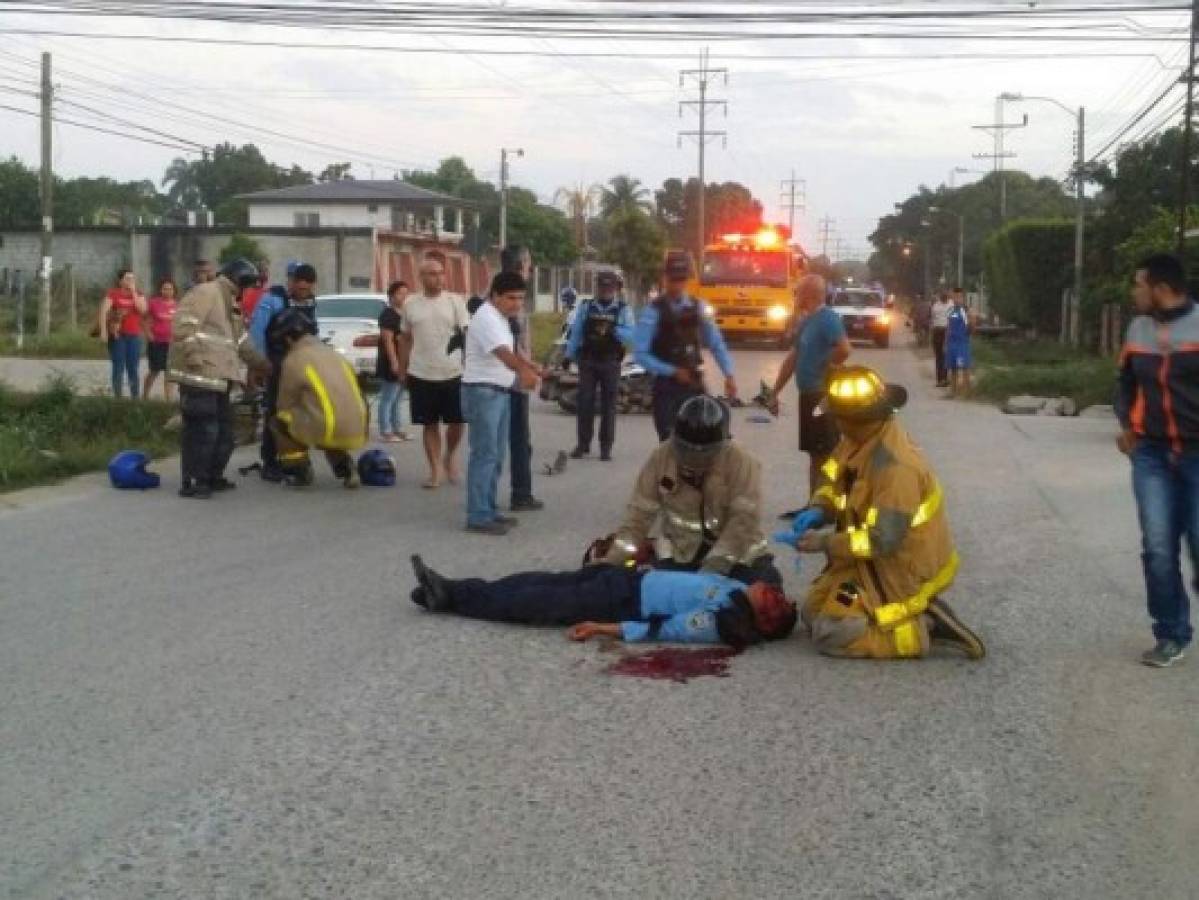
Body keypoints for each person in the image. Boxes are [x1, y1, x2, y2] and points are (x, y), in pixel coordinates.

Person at [782, 365, 985, 660]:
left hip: (896, 568)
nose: (835, 422)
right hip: (861, 564)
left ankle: (922, 628)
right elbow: (831, 476)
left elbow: (881, 541)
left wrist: (824, 543)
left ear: (854, 421)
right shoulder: (856, 442)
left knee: (832, 633)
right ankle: (890, 616)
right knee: (813, 613)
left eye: (838, 416)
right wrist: (819, 507)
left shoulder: (896, 468)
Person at [408, 555, 798, 649]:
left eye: (772, 601)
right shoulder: (735, 588)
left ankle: (450, 596)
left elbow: (661, 628)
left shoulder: (718, 619)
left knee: (533, 602)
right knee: (540, 581)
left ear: (760, 621)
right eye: (774, 592)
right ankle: (457, 588)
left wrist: (602, 628)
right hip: (627, 577)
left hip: (621, 600)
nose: (770, 592)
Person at [1116, 253, 1199, 667]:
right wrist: (1126, 424)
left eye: (1139, 284)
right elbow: (1126, 382)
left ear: (1160, 288)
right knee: (1158, 548)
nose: (1134, 291)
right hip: (1151, 454)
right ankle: (1171, 633)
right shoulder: (1137, 328)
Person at [599, 395, 779, 584]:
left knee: (765, 590)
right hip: (682, 555)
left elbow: (744, 520)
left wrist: (714, 568)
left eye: (704, 454)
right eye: (687, 451)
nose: (695, 460)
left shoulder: (741, 462)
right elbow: (638, 517)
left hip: (736, 556)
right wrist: (612, 562)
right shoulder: (661, 457)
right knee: (648, 595)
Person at [167, 258, 264, 499]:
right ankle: (194, 481)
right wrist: (194, 358)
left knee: (224, 432)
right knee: (203, 430)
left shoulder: (229, 302)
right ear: (239, 279)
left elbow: (241, 342)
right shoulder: (206, 292)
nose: (248, 292)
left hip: (219, 378)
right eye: (247, 286)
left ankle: (212, 476)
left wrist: (263, 365)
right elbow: (183, 325)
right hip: (198, 376)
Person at [461, 271, 542, 535]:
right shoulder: (486, 318)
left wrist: (531, 366)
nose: (517, 304)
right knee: (484, 456)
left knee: (495, 456)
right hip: (483, 392)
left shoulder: (500, 318)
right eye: (511, 298)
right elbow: (504, 355)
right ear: (495, 295)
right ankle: (478, 515)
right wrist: (525, 373)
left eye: (520, 298)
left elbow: (512, 351)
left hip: (499, 391)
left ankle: (489, 509)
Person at [634, 254, 738, 441]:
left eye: (682, 279)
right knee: (670, 442)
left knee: (712, 435)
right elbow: (640, 353)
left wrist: (729, 374)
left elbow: (716, 343)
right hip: (667, 388)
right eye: (673, 279)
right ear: (664, 278)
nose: (677, 285)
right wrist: (672, 371)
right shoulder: (653, 311)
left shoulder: (698, 307)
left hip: (694, 383)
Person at [766, 273, 851, 495]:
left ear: (808, 294)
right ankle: (815, 500)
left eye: (797, 292)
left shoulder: (827, 319)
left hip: (821, 396)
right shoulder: (807, 321)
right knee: (815, 452)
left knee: (828, 452)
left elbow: (844, 349)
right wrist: (774, 392)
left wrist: (827, 367)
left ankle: (829, 503)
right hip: (807, 395)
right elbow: (793, 358)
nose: (794, 296)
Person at [268, 307, 368, 488]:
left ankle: (298, 471)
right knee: (323, 415)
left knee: (279, 421)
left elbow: (284, 403)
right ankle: (345, 467)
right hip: (358, 427)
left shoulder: (294, 359)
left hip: (328, 427)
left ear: (289, 338)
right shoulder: (334, 353)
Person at [398, 256, 471, 489]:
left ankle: (450, 455)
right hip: (421, 372)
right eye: (432, 274)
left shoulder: (455, 301)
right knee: (429, 424)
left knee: (457, 422)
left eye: (441, 273)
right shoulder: (410, 303)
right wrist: (401, 369)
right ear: (421, 277)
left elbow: (467, 335)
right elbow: (405, 338)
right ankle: (435, 470)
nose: (438, 278)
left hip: (453, 371)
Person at [248, 262, 319, 481]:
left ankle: (295, 459)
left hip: (302, 366)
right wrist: (259, 365)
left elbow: (313, 334)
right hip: (276, 364)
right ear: (292, 282)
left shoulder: (310, 303)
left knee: (301, 414)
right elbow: (257, 332)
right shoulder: (273, 300)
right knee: (275, 413)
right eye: (299, 283)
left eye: (308, 286)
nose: (303, 289)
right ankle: (270, 461)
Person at [566, 269, 635, 461]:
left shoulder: (623, 309)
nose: (605, 290)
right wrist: (569, 355)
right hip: (588, 360)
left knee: (609, 406)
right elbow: (577, 332)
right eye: (602, 286)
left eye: (609, 287)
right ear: (597, 287)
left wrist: (615, 330)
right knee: (585, 403)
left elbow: (632, 334)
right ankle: (582, 445)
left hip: (610, 361)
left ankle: (606, 448)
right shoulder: (586, 307)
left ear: (615, 288)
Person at [500, 245, 544, 511]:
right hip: (509, 380)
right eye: (528, 263)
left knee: (507, 441)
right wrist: (528, 370)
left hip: (508, 377)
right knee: (515, 440)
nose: (531, 268)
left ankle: (517, 493)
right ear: (519, 265)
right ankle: (520, 494)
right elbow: (510, 344)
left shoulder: (503, 293)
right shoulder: (509, 298)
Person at [98, 269, 148, 398]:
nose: (130, 281)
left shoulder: (139, 294)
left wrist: (133, 292)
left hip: (134, 335)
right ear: (120, 281)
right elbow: (103, 312)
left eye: (132, 278)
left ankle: (135, 397)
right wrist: (103, 331)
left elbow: (142, 310)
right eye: (127, 278)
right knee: (118, 367)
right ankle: (118, 397)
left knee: (133, 368)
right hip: (117, 335)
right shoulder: (113, 293)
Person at [377, 280, 411, 442]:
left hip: (405, 360)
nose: (403, 297)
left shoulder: (404, 314)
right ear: (391, 296)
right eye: (400, 293)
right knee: (388, 397)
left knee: (398, 397)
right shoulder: (388, 315)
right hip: (391, 360)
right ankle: (386, 430)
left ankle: (397, 428)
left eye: (406, 293)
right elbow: (387, 340)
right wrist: (394, 362)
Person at [142, 277, 178, 401]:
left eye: (170, 289)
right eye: (165, 289)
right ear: (161, 290)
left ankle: (168, 399)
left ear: (174, 291)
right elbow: (145, 319)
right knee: (154, 371)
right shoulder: (154, 303)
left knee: (170, 372)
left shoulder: (178, 305)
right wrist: (148, 333)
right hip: (156, 342)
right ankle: (145, 395)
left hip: (171, 343)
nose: (167, 291)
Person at [944, 287, 973, 397]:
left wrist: (968, 333)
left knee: (964, 367)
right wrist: (945, 343)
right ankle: (953, 392)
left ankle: (966, 393)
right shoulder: (951, 311)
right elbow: (948, 326)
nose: (957, 299)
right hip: (952, 343)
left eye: (959, 297)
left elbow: (971, 326)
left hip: (962, 343)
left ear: (963, 298)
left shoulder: (966, 311)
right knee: (953, 368)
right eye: (955, 297)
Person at [930, 292, 952, 387]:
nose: (944, 298)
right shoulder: (936, 306)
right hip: (938, 332)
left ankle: (944, 379)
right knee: (939, 356)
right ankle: (940, 380)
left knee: (945, 356)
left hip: (947, 331)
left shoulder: (951, 305)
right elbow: (933, 318)